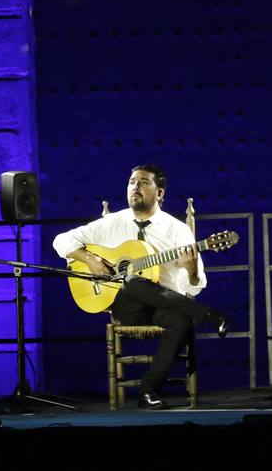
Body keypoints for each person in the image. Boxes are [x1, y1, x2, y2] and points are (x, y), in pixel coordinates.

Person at [53, 163, 229, 408]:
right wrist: (90, 260)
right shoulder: (112, 222)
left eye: (144, 182)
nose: (135, 187)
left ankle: (148, 391)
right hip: (127, 306)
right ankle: (210, 314)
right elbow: (61, 240)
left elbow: (196, 285)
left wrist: (189, 268)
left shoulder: (177, 230)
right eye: (132, 182)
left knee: (181, 321)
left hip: (163, 303)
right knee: (133, 281)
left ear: (160, 194)